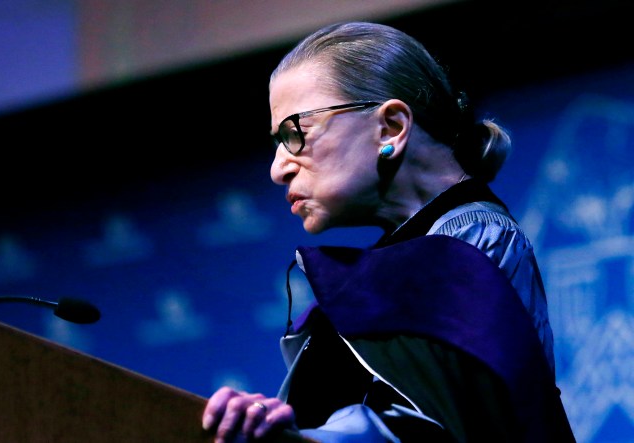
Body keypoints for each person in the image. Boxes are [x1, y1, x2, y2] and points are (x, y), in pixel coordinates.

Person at [201, 21, 575, 442]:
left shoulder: (475, 241)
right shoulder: (408, 264)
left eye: (295, 133)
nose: (277, 168)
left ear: (391, 127)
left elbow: (450, 426)